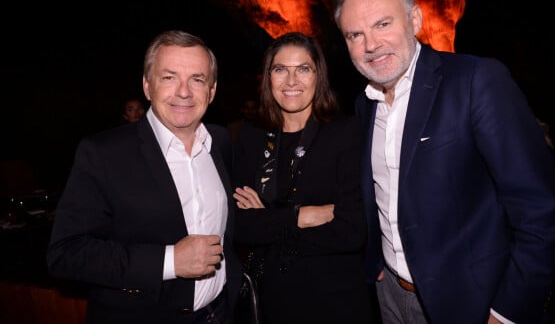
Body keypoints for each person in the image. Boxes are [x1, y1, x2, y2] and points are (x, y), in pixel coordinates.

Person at [332, 0, 555, 324]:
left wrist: (507, 311)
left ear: (414, 19)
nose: (371, 44)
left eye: (382, 24)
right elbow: (382, 193)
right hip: (391, 296)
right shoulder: (365, 103)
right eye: (355, 34)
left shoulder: (475, 81)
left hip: (473, 303)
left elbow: (541, 211)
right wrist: (378, 261)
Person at [46, 30, 242, 324]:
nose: (184, 91)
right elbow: (66, 254)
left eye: (197, 79)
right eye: (169, 77)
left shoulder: (220, 141)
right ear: (147, 86)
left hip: (221, 313)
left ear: (211, 91)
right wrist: (170, 261)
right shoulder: (103, 153)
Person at [232, 31, 374, 324]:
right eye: (280, 69)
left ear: (318, 76)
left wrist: (269, 223)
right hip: (270, 299)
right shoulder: (251, 137)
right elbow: (241, 228)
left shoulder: (346, 133)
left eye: (303, 69)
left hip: (334, 298)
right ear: (268, 77)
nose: (292, 81)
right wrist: (301, 216)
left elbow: (351, 231)